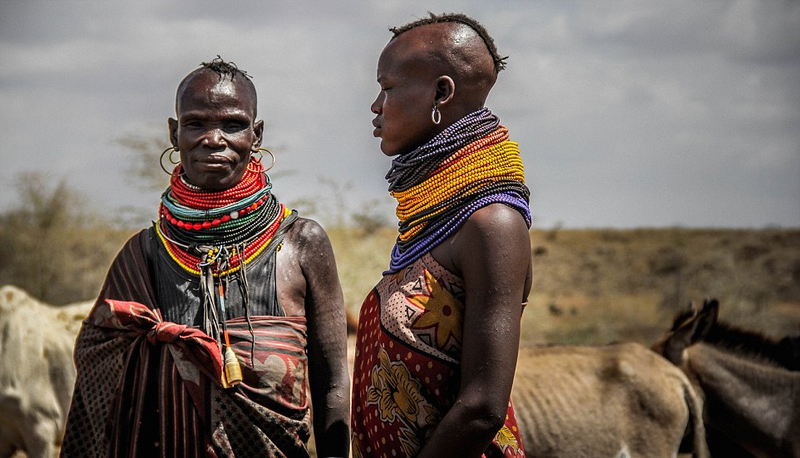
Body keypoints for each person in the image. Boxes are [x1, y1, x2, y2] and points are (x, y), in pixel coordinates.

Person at [60, 57, 350, 458]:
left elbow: (332, 381)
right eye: (196, 124)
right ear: (174, 132)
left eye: (232, 124)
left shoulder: (302, 244)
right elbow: (98, 368)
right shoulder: (141, 255)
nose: (213, 139)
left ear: (257, 133)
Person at [351, 13, 532, 458]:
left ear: (441, 92)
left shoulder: (493, 225)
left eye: (387, 88)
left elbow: (482, 408)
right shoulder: (436, 222)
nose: (376, 106)